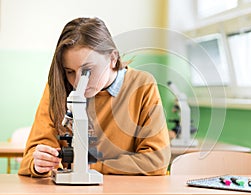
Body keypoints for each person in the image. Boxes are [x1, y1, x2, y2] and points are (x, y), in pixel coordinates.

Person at [18, 17, 171, 177]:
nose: (77, 82)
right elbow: (30, 159)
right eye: (70, 71)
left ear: (113, 58)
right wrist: (40, 164)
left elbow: (156, 161)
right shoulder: (58, 87)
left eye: (87, 71)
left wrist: (87, 165)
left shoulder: (142, 85)